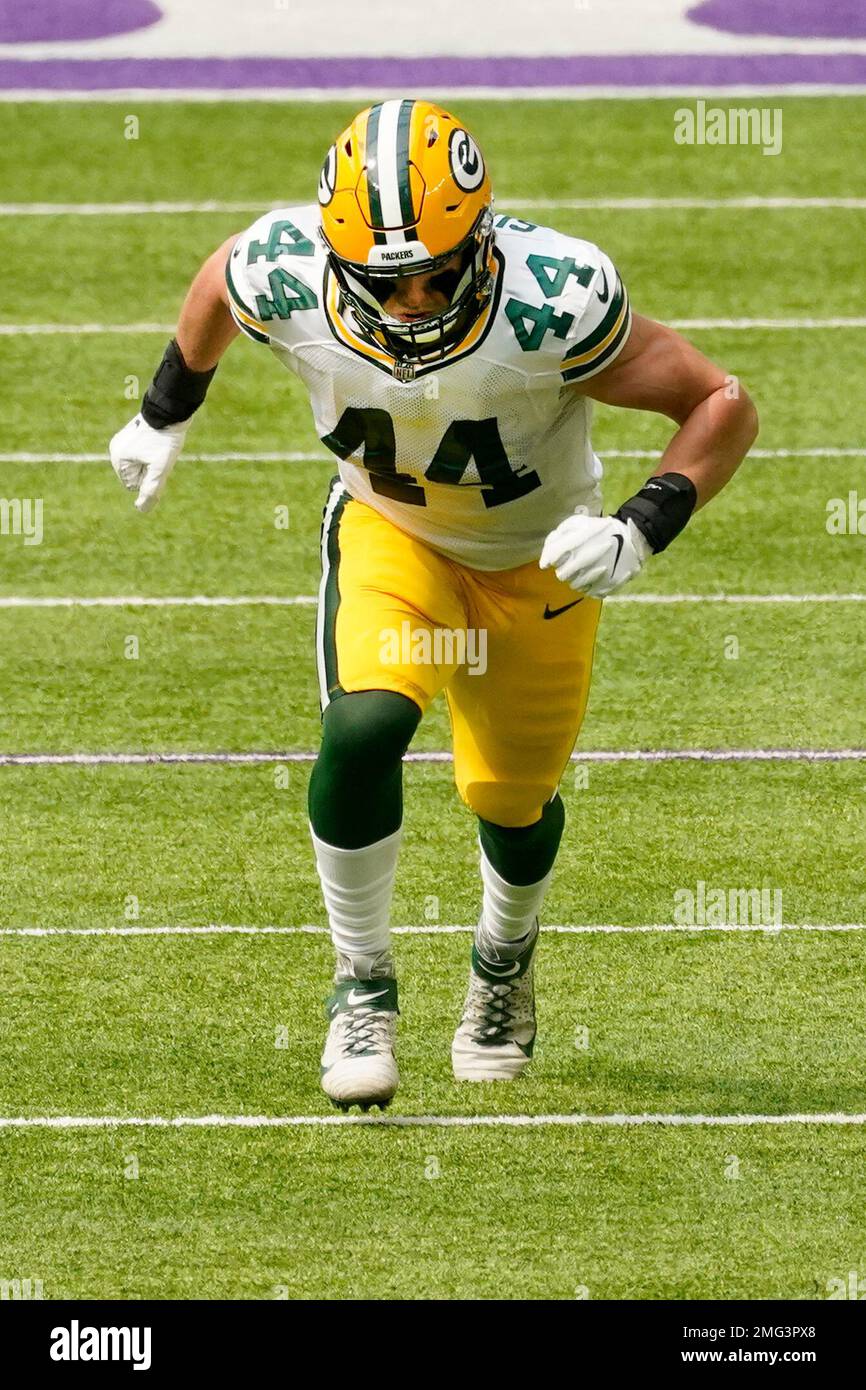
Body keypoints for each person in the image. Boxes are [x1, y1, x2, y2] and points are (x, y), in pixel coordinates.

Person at [110, 99, 758, 1111]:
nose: (410, 298)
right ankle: (361, 985)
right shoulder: (284, 268)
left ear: (480, 241)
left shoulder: (550, 298)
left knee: (508, 798)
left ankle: (502, 962)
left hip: (537, 556)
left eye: (435, 273)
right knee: (364, 725)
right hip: (391, 530)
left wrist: (639, 523)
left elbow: (718, 401)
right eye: (384, 279)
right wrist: (163, 412)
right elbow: (218, 281)